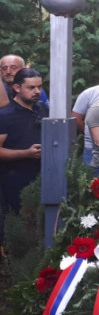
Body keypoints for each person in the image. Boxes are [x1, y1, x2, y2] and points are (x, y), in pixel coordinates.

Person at [0, 68, 47, 245]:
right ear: (17, 88)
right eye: (31, 87)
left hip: (45, 179)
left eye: (39, 87)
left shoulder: (45, 110)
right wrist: (25, 153)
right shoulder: (5, 116)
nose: (37, 92)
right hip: (14, 182)